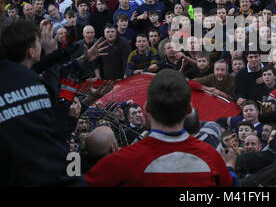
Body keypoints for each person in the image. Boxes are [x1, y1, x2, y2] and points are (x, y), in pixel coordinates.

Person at [84, 69, 234, 186]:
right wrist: (229, 168)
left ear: (146, 109)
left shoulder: (122, 161)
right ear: (189, 109)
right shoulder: (212, 157)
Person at [0, 20, 85, 186]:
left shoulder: (19, 75)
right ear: (31, 52)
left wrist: (56, 54)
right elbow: (52, 97)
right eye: (38, 42)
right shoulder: (31, 82)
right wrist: (72, 120)